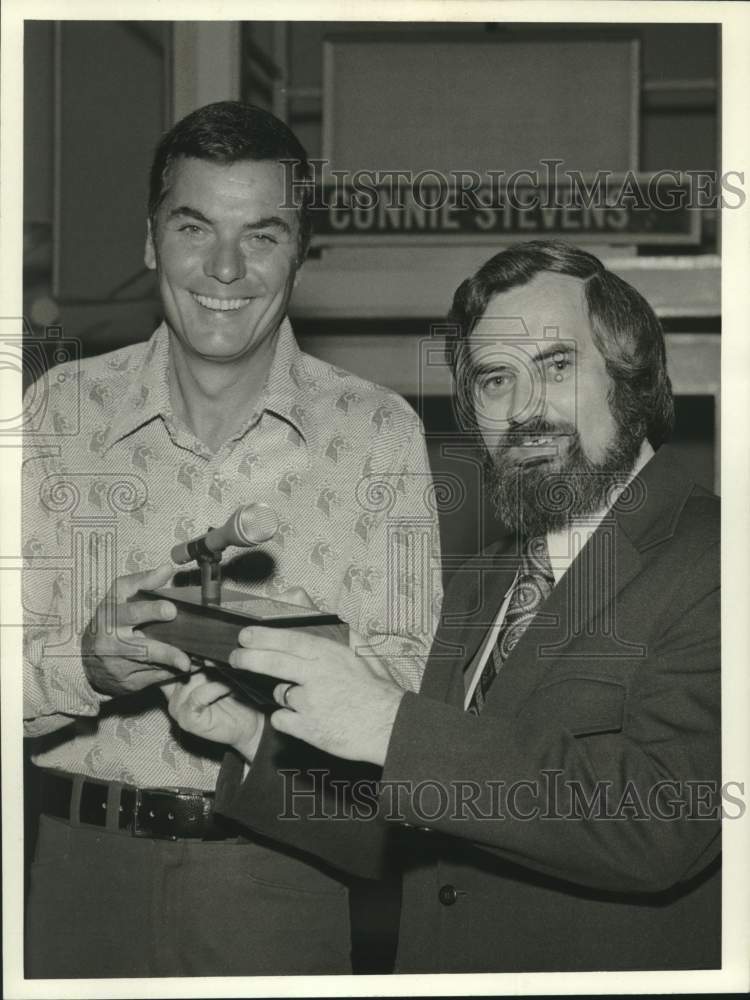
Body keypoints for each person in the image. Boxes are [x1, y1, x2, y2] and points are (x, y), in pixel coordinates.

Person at [169, 240, 721, 972]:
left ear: (630, 374)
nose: (524, 409)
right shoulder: (482, 583)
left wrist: (389, 724)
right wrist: (256, 743)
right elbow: (425, 830)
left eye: (556, 366)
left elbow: (662, 823)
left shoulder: (716, 560)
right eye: (495, 380)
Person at [22, 101, 441, 977]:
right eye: (194, 226)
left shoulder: (377, 434)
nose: (223, 268)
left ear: (301, 253)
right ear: (149, 242)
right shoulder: (58, 413)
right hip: (73, 874)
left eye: (263, 235)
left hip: (281, 879)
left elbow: (408, 713)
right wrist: (87, 664)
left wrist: (286, 694)